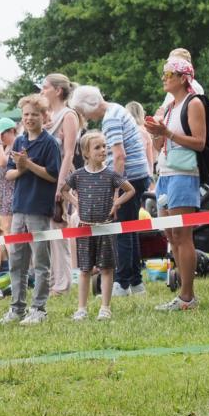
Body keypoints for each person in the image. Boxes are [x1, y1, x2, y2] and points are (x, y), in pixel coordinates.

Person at [69, 84, 152, 297]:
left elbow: (119, 156)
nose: (85, 116)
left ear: (90, 105)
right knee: (129, 230)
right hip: (138, 176)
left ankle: (122, 283)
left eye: (83, 111)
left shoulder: (111, 119)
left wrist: (115, 191)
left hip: (129, 178)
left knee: (121, 231)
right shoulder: (117, 109)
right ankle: (135, 282)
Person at [145, 57, 207, 311]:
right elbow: (162, 143)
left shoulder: (194, 103)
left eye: (169, 74)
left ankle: (187, 296)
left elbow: (200, 142)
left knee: (182, 235)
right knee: (171, 235)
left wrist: (167, 133)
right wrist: (155, 133)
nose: (164, 78)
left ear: (183, 78)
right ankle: (184, 293)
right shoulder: (170, 106)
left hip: (184, 174)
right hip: (166, 174)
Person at [0, 94, 61, 326]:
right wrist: (22, 168)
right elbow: (9, 174)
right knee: (16, 261)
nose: (30, 118)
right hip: (19, 208)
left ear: (43, 116)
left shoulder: (50, 143)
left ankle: (39, 309)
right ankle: (17, 308)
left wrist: (28, 164)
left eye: (34, 114)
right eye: (26, 115)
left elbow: (53, 175)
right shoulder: (19, 141)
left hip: (39, 209)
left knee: (41, 262)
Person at [63, 131, 136, 321]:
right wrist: (76, 203)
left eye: (104, 146)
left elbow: (130, 190)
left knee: (106, 269)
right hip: (85, 228)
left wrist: (116, 203)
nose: (103, 150)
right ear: (86, 152)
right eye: (97, 147)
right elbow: (64, 190)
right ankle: (81, 308)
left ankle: (105, 307)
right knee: (85, 269)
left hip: (105, 228)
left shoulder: (110, 174)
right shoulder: (78, 175)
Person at [42, 73, 80, 295]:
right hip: (44, 179)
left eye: (45, 87)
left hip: (61, 179)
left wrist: (61, 185)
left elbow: (69, 153)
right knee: (47, 231)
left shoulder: (68, 115)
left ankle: (63, 283)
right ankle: (52, 280)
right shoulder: (48, 116)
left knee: (58, 229)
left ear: (57, 90)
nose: (42, 91)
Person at [0, 117, 17, 233]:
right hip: (1, 192)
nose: (0, 138)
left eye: (2, 134)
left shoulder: (17, 144)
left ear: (12, 131)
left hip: (10, 193)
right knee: (0, 228)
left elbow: (2, 162)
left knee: (6, 228)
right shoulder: (5, 147)